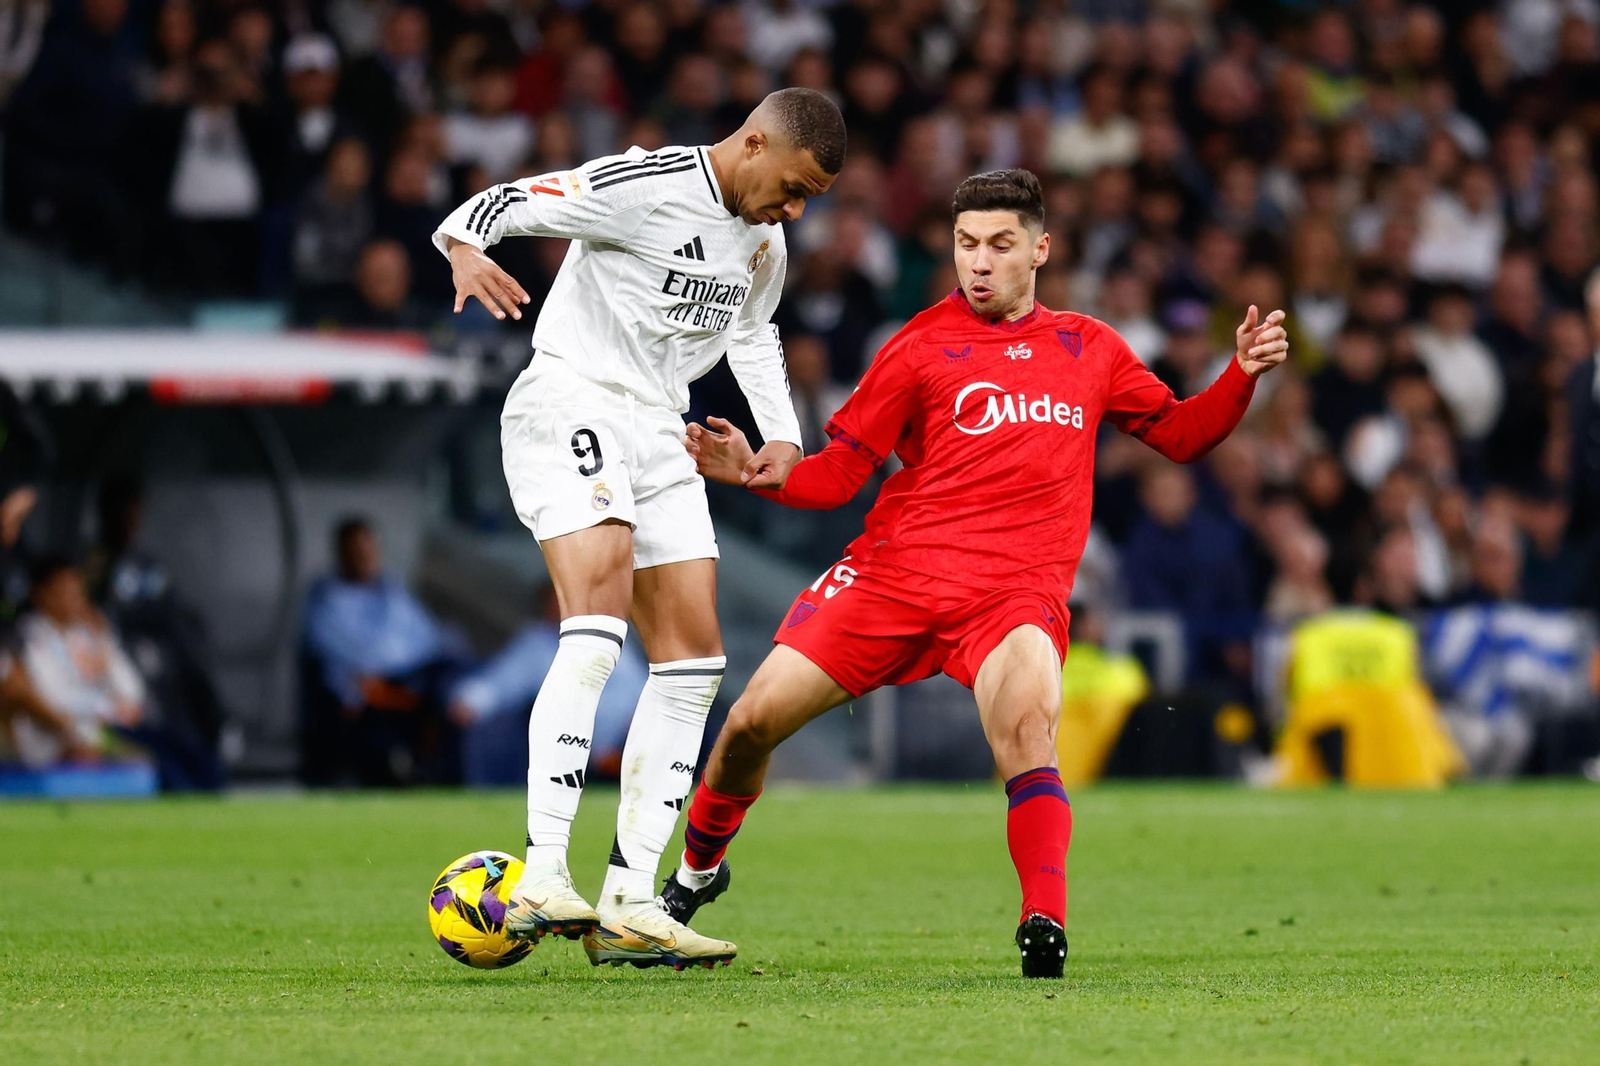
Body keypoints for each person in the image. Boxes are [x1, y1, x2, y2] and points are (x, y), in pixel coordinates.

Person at [663, 169, 1288, 978]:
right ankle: (693, 877)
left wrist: (1238, 375)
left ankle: (1044, 925)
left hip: (1011, 595)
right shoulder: (917, 347)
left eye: (998, 245)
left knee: (1029, 732)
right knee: (750, 723)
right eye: (965, 245)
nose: (980, 263)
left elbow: (1178, 434)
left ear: (1040, 249)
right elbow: (839, 476)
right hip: (893, 577)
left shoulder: (1090, 348)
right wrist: (752, 471)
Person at [430, 87, 846, 964]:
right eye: (795, 184)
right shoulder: (646, 181)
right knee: (597, 625)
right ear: (757, 141)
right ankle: (543, 871)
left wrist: (783, 435)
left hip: (662, 427)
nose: (796, 208)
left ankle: (629, 902)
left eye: (812, 197)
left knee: (695, 660)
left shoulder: (764, 239)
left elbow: (753, 333)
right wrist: (464, 246)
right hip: (571, 398)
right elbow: (507, 202)